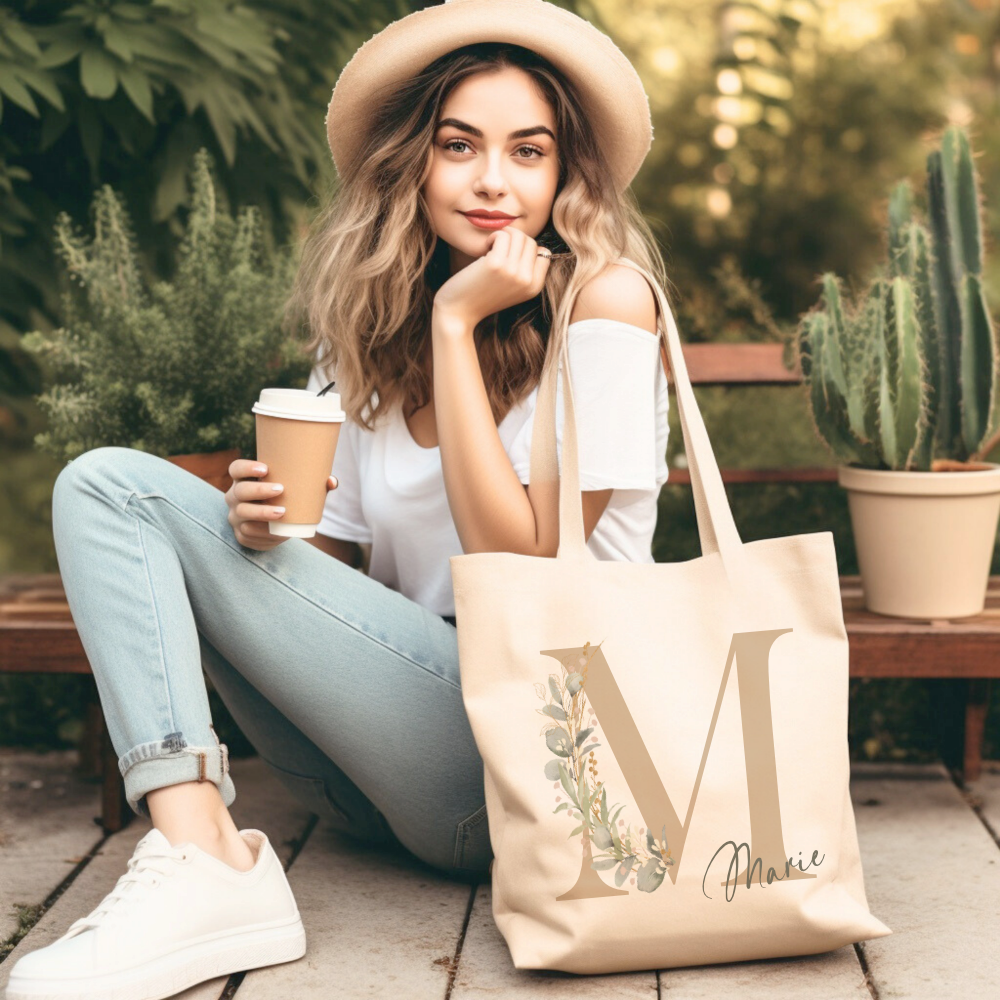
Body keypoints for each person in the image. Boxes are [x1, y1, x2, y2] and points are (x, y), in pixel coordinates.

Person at [5, 2, 673, 998]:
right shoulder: (366, 332)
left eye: (527, 152)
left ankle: (206, 869)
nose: (493, 179)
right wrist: (256, 539)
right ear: (416, 165)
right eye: (460, 146)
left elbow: (530, 572)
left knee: (111, 485)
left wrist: (456, 325)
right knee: (137, 505)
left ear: (562, 177)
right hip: (383, 785)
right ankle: (203, 856)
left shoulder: (605, 302)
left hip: (541, 760)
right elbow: (343, 594)